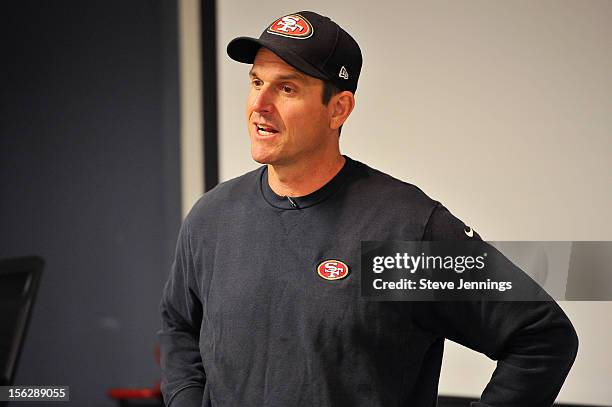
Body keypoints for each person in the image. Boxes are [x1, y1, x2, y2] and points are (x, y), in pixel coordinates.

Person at [159, 11, 578, 407]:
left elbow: (541, 338)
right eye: (255, 83)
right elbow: (180, 326)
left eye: (286, 88)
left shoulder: (403, 229)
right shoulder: (212, 218)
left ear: (338, 108)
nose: (260, 104)